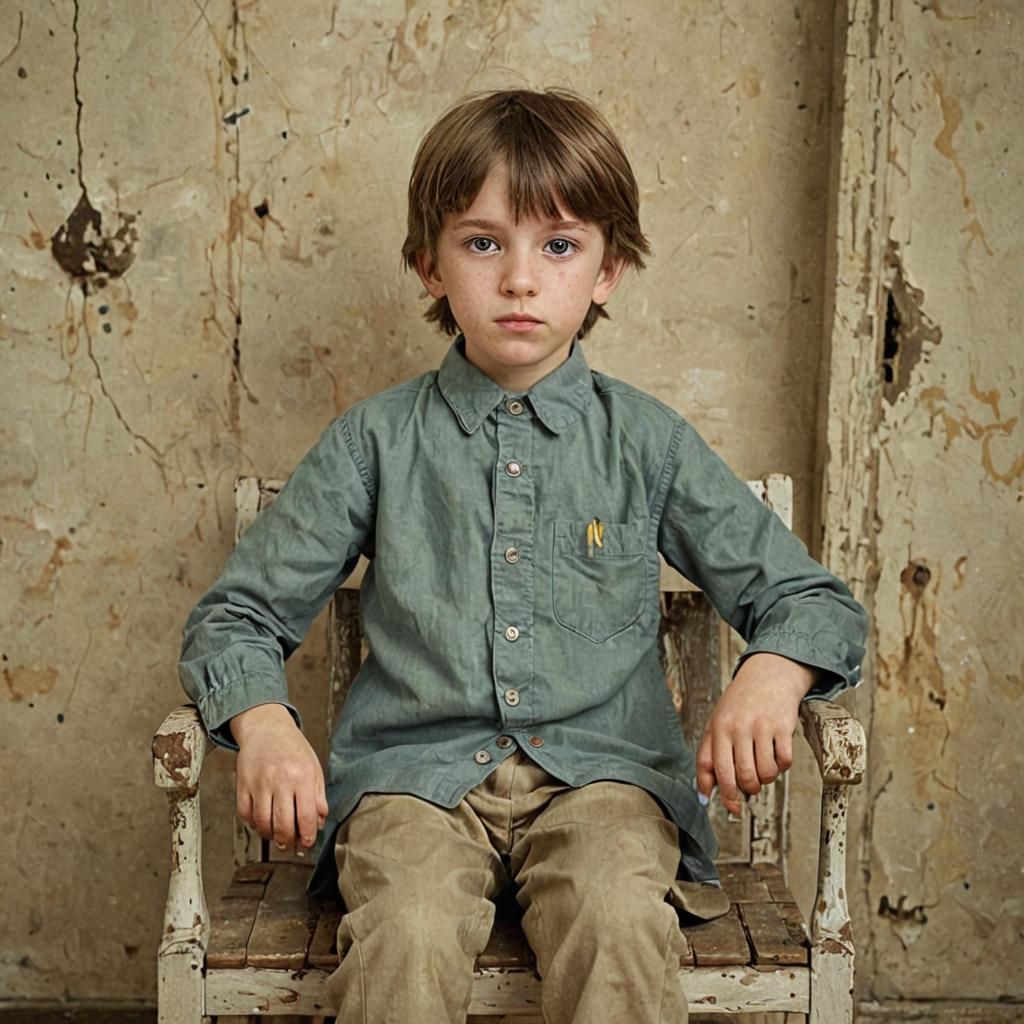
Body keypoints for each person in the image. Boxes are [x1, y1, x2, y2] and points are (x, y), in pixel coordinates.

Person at [179, 88, 867, 1024]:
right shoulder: (373, 444)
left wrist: (775, 672)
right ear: (429, 263)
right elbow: (238, 615)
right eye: (482, 241)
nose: (519, 279)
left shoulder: (648, 445)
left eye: (558, 245)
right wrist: (261, 723)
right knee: (406, 928)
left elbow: (812, 599)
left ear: (608, 270)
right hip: (414, 788)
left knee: (619, 912)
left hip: (606, 784)